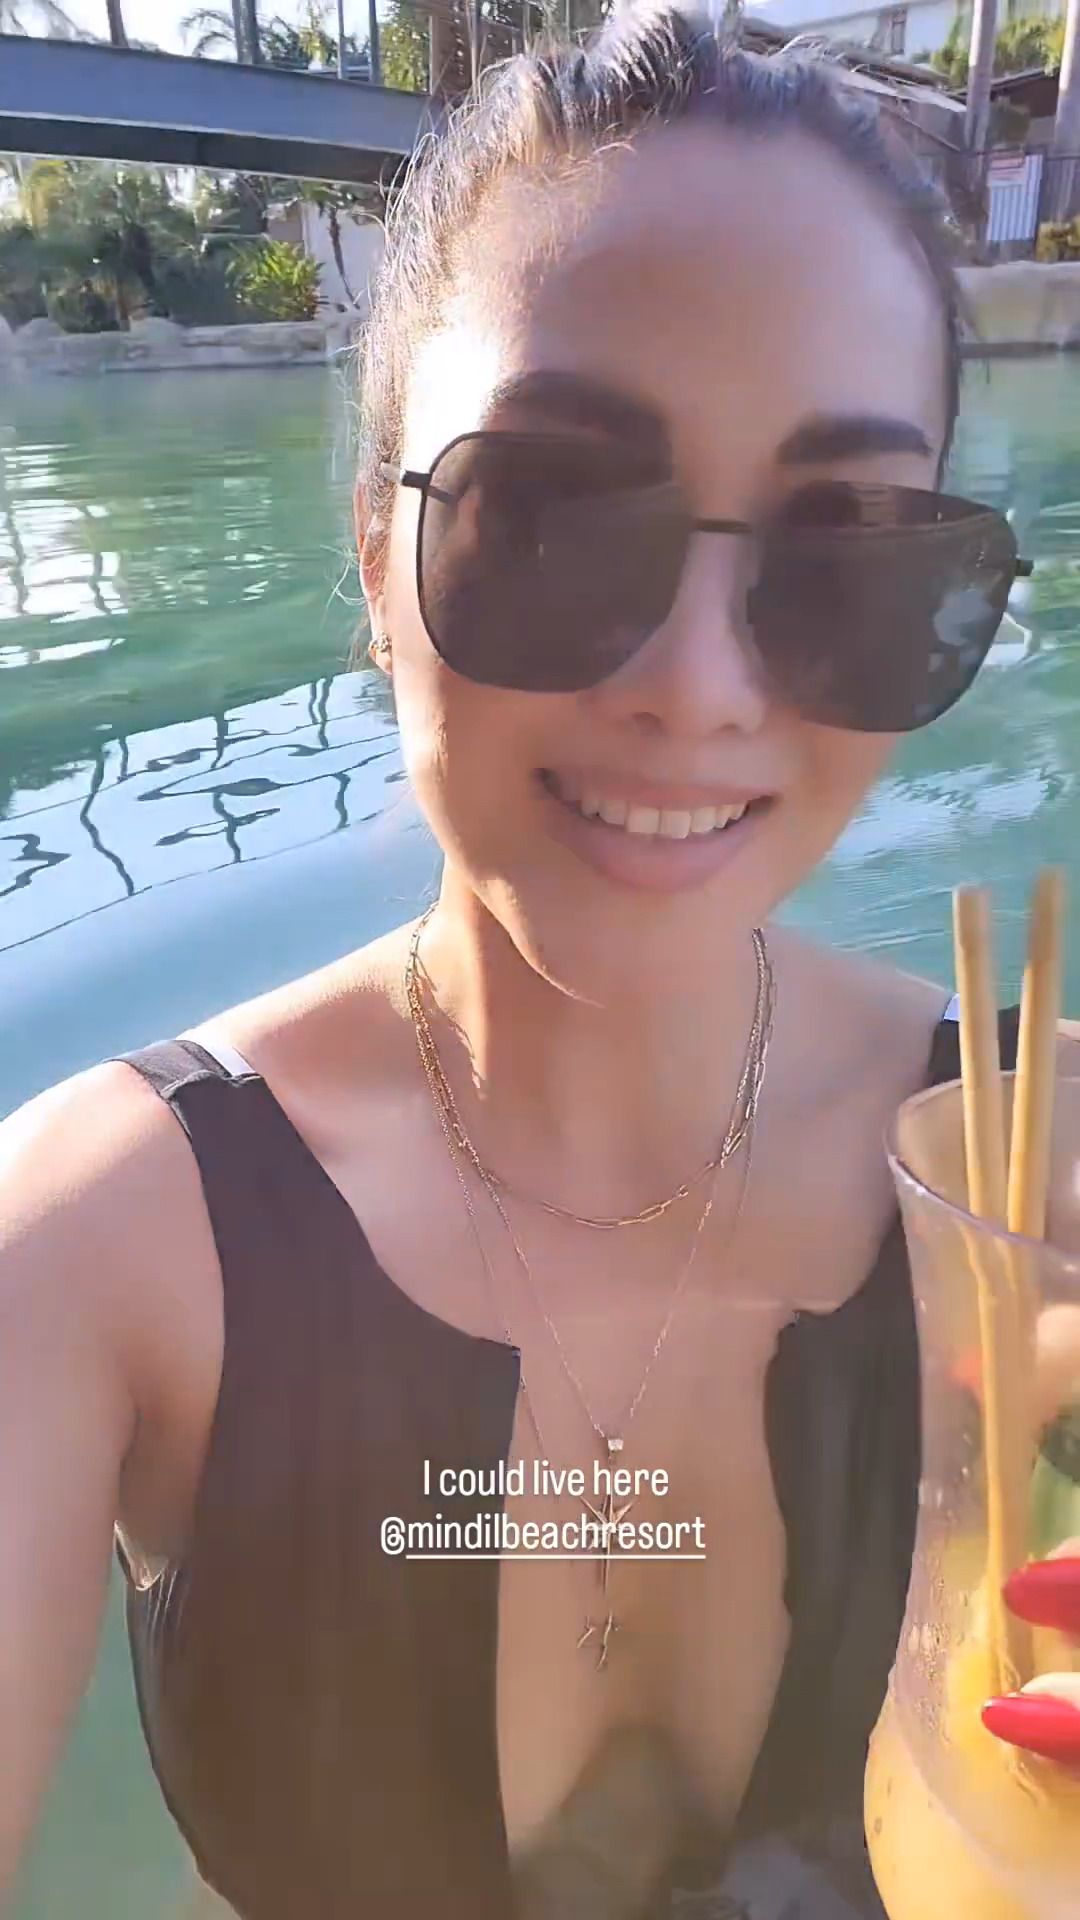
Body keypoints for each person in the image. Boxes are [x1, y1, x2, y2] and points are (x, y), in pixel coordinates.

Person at [1, 9, 1078, 1918]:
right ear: (374, 559)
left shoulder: (1038, 1169)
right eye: (556, 512)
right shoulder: (94, 1249)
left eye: (847, 542)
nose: (699, 688)